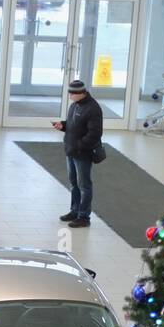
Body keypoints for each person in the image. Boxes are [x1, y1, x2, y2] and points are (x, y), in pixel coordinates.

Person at [51, 79, 104, 229]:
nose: (69, 96)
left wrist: (80, 146)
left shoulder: (93, 108)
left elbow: (95, 133)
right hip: (71, 151)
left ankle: (84, 217)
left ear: (81, 93)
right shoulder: (74, 105)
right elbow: (72, 125)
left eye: (72, 93)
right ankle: (75, 211)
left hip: (82, 154)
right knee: (74, 183)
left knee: (84, 185)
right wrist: (63, 125)